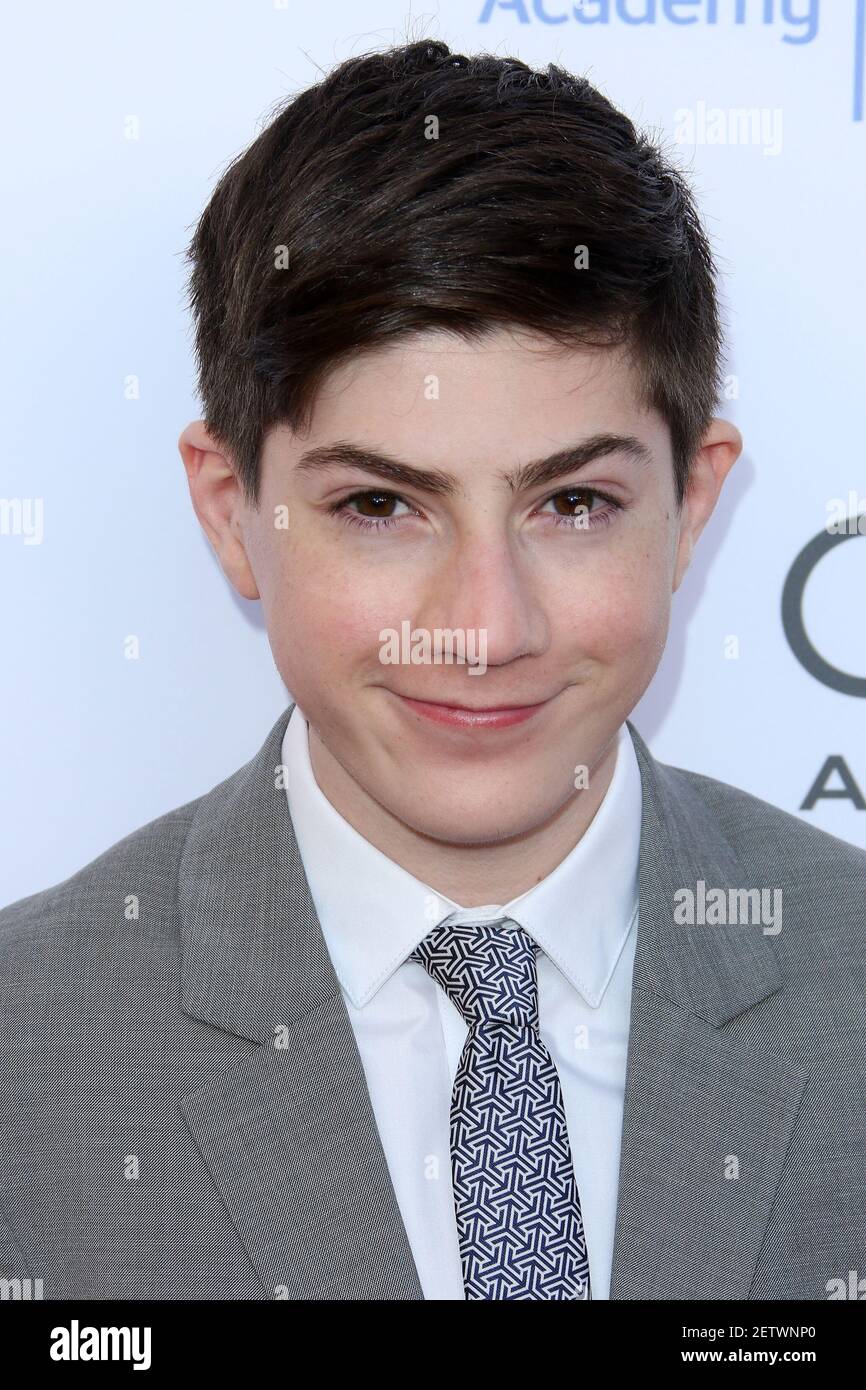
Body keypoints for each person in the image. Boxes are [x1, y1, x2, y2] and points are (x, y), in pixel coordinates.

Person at [1, 39, 863, 1302]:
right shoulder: (27, 1054)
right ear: (233, 510)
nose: (479, 625)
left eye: (571, 502)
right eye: (377, 506)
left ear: (690, 503)